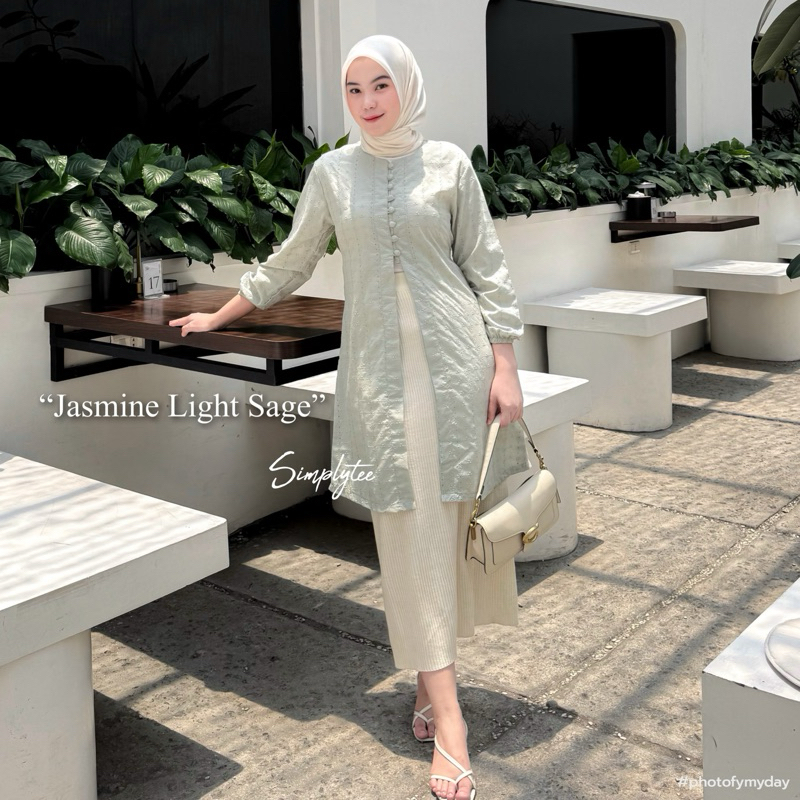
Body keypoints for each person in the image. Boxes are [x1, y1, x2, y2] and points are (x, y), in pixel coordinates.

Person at [169, 34, 529, 800]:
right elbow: (293, 258)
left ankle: (436, 695)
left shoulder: (450, 166)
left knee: (449, 526)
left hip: (457, 369)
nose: (367, 103)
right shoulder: (332, 173)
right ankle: (449, 712)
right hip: (379, 378)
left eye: (381, 86)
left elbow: (486, 267)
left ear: (407, 86)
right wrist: (221, 314)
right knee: (404, 533)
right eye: (354, 89)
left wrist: (505, 367)